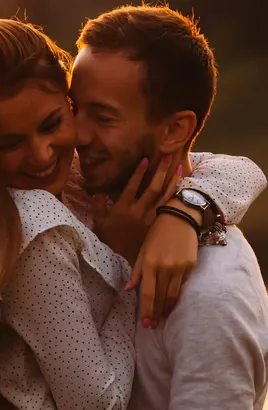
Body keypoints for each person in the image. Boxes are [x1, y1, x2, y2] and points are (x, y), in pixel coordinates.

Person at [0, 18, 264, 410]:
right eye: (10, 143)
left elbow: (242, 169)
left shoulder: (73, 177)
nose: (49, 151)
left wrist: (185, 211)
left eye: (58, 121)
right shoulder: (37, 220)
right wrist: (125, 260)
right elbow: (98, 405)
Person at [71, 5, 268, 409]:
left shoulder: (211, 298)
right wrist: (185, 208)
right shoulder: (81, 191)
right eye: (75, 110)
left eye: (103, 118)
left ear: (175, 130)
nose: (77, 135)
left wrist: (185, 209)